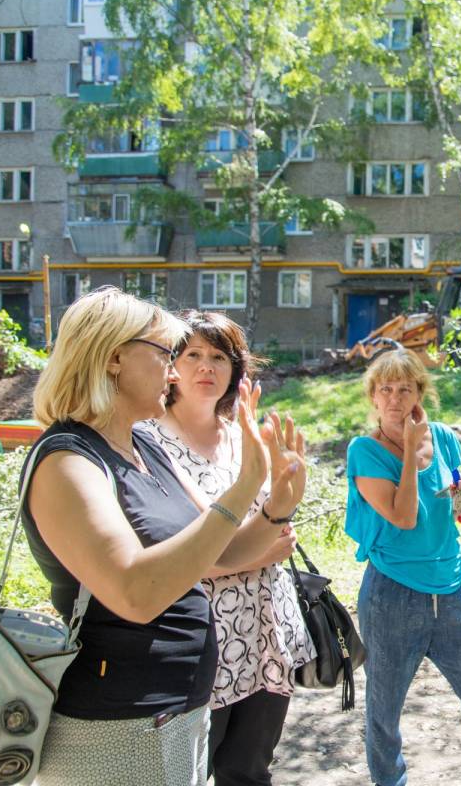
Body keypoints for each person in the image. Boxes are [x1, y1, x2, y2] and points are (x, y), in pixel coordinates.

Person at [21, 287, 306, 786]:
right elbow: (135, 593)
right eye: (165, 354)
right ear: (113, 359)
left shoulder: (140, 446)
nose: (174, 372)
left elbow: (226, 547)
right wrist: (243, 489)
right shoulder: (67, 460)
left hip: (177, 710)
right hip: (118, 723)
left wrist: (280, 500)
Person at [140, 309, 315, 786]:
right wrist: (259, 550)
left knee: (250, 771)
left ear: (236, 370)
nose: (206, 367)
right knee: (186, 773)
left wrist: (281, 500)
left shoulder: (246, 436)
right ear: (170, 366)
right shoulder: (147, 441)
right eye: (192, 354)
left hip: (263, 635)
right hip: (198, 644)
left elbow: (281, 527)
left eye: (219, 356)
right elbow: (184, 554)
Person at [345, 348, 461, 786]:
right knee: (384, 712)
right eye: (386, 389)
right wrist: (407, 452)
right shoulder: (364, 451)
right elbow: (403, 517)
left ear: (421, 392)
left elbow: (458, 500)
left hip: (450, 591)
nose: (396, 398)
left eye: (406, 388)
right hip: (392, 596)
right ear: (373, 397)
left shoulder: (441, 436)